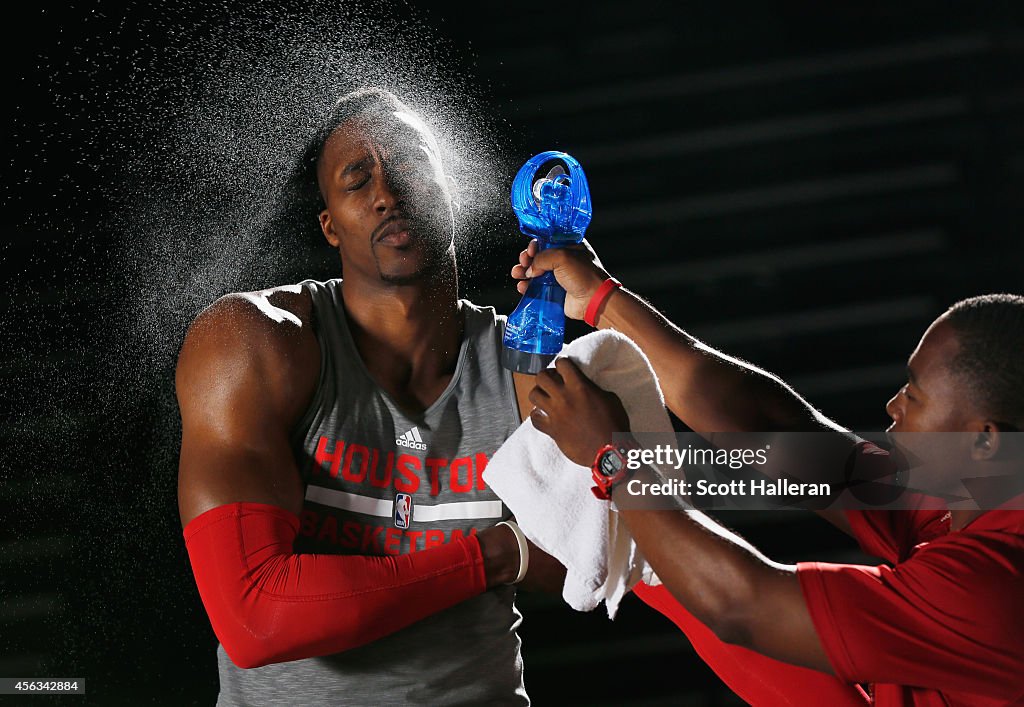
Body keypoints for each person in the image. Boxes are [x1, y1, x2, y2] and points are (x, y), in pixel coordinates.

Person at [174, 87, 563, 706]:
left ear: (452, 189)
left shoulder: (527, 363)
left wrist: (605, 302)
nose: (387, 192)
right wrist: (497, 554)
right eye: (357, 180)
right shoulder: (254, 345)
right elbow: (257, 619)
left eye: (408, 163)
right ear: (329, 225)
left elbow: (631, 550)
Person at [512, 239, 1024, 706]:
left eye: (914, 395)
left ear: (985, 439)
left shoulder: (992, 588)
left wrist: (614, 458)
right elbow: (775, 431)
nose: (893, 407)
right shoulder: (971, 495)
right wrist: (601, 300)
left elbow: (741, 605)